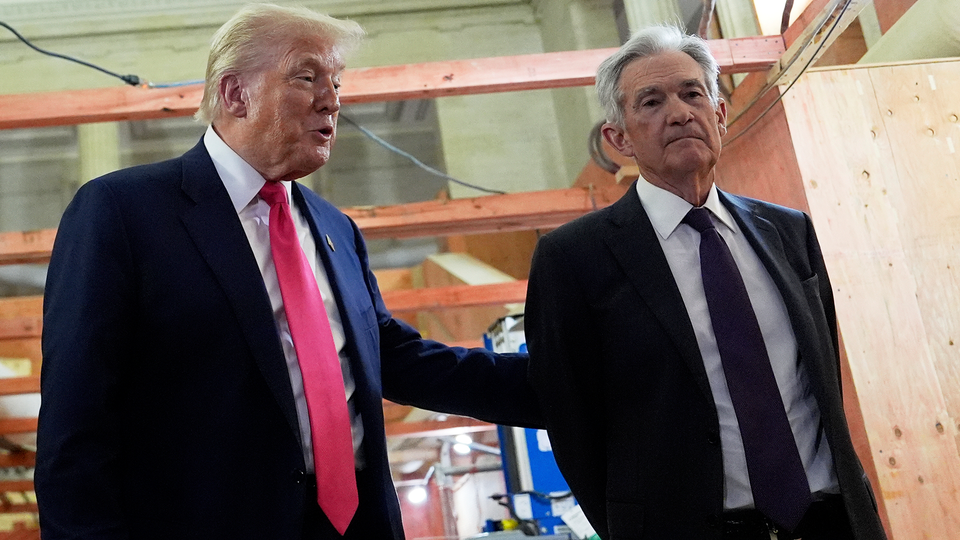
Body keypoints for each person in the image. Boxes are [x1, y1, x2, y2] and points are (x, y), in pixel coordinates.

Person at [35, 4, 540, 540]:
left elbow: (392, 358)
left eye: (337, 82)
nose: (333, 100)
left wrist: (570, 385)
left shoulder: (335, 228)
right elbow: (76, 419)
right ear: (236, 94)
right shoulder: (122, 211)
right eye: (307, 76)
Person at [524, 25, 887, 540]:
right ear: (618, 138)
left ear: (719, 114)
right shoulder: (572, 259)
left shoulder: (788, 231)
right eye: (651, 102)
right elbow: (572, 422)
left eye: (692, 94)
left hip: (831, 521)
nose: (679, 113)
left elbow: (822, 376)